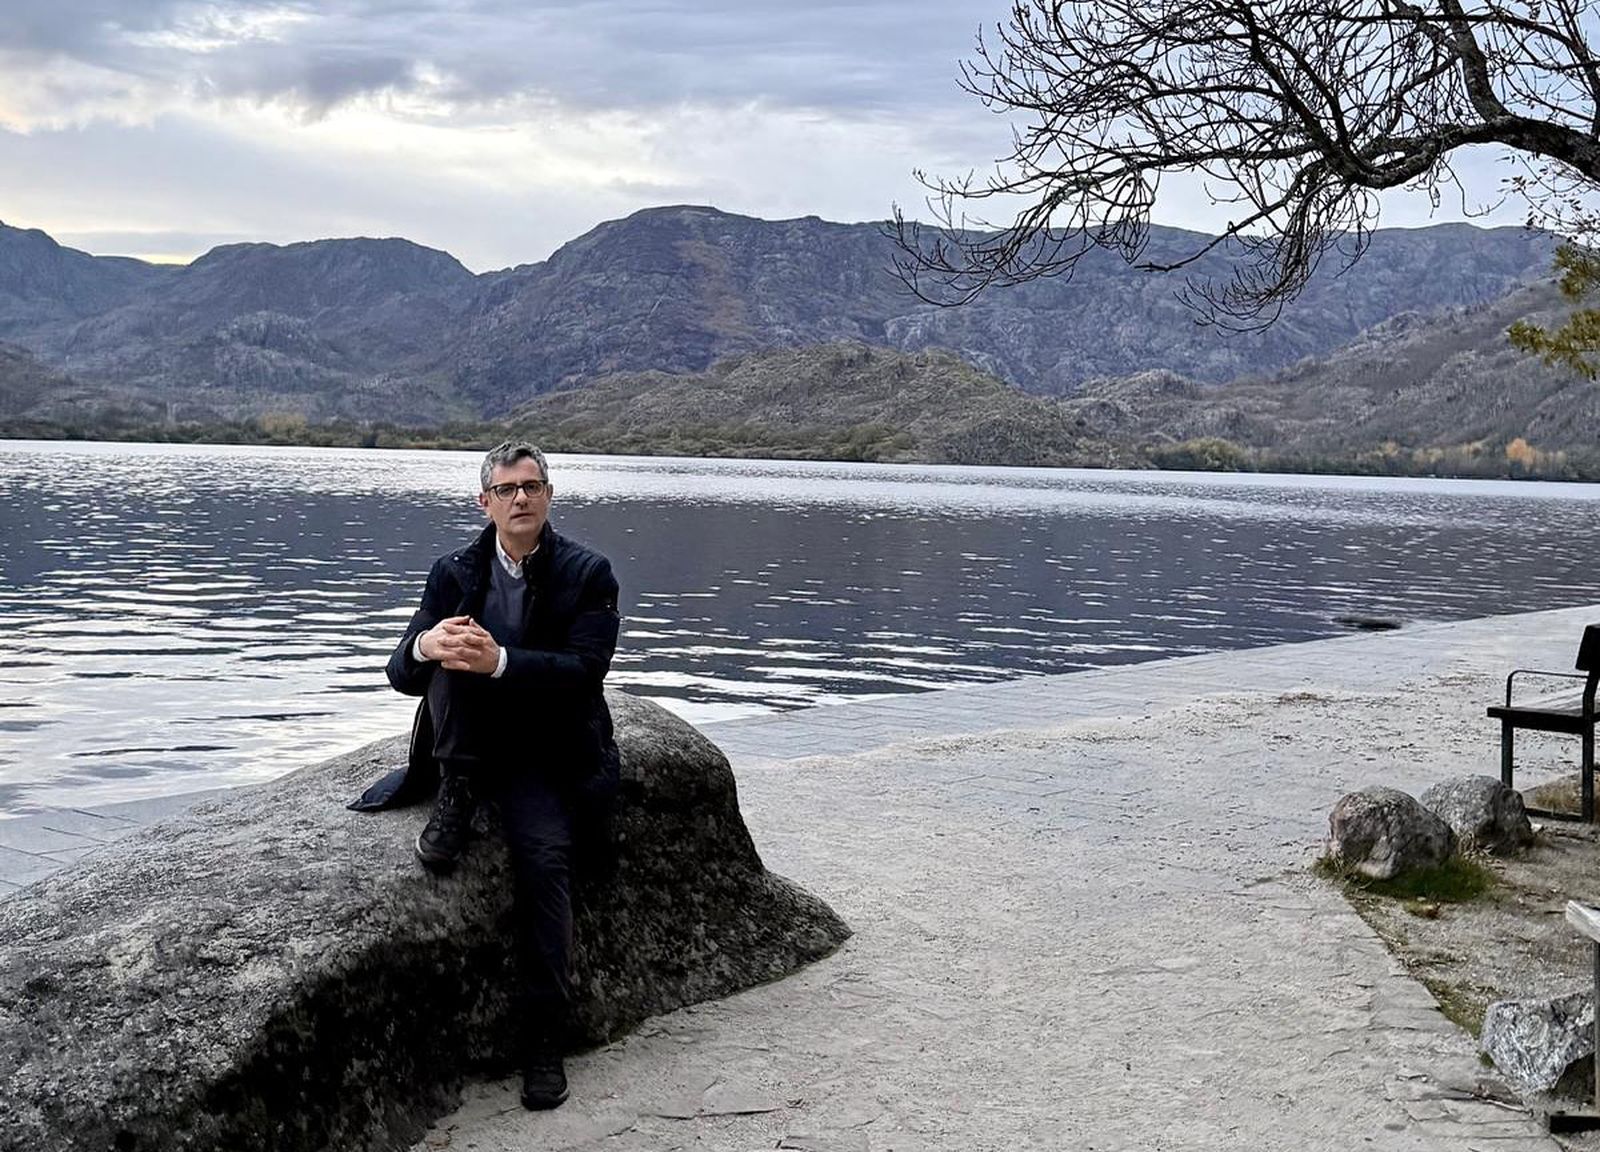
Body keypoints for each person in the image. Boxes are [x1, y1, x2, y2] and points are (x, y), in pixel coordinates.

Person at [350, 440, 621, 1111]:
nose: (521, 498)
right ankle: (458, 792)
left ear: (549, 496)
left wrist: (502, 660)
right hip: (467, 742)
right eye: (507, 490)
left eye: (533, 486)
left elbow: (586, 674)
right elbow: (399, 673)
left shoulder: (588, 574)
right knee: (451, 651)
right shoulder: (454, 570)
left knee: (544, 865)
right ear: (485, 502)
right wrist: (425, 643)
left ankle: (542, 1044)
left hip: (544, 749)